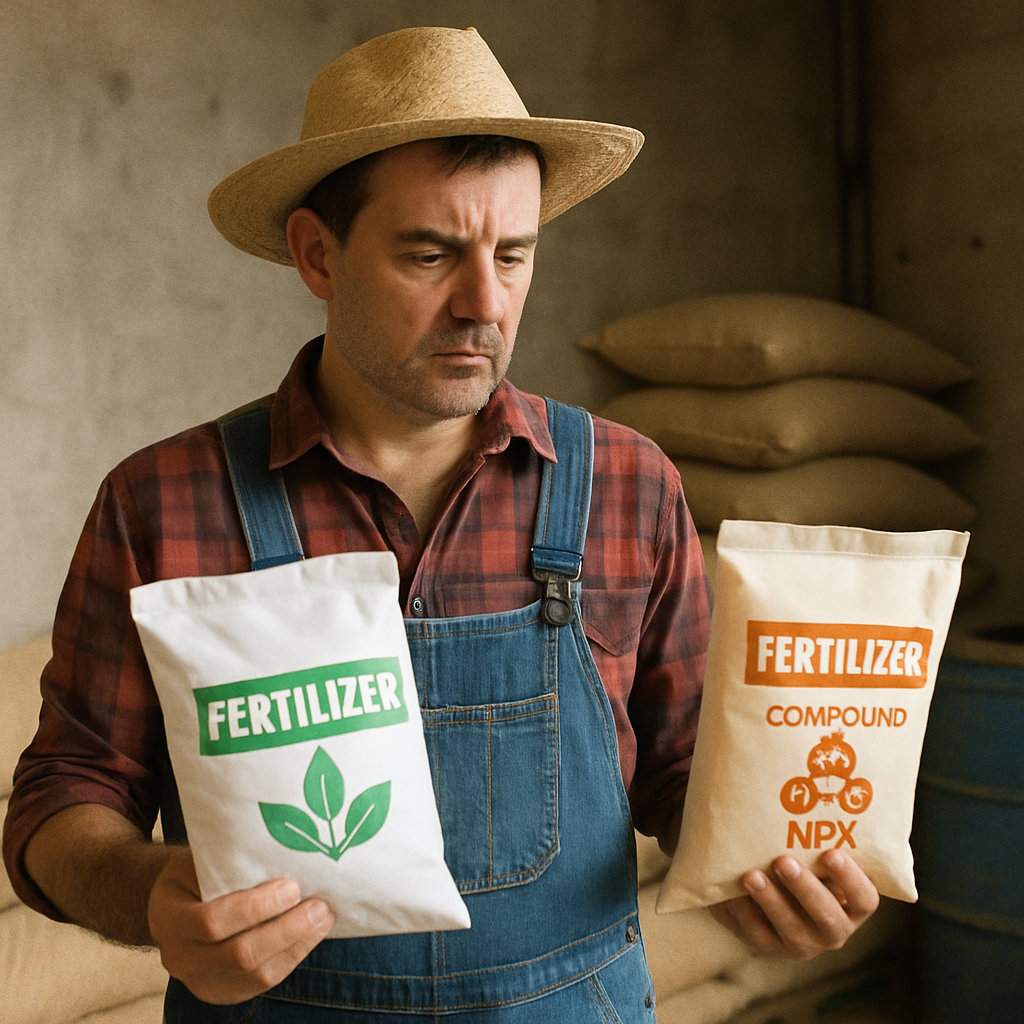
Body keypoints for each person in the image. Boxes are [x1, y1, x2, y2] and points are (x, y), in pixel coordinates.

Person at [2, 25, 879, 1022]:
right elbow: (63, 797)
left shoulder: (628, 485)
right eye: (431, 253)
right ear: (316, 253)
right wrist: (152, 896)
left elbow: (683, 767)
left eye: (514, 253)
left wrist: (766, 864)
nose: (484, 302)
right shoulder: (163, 501)